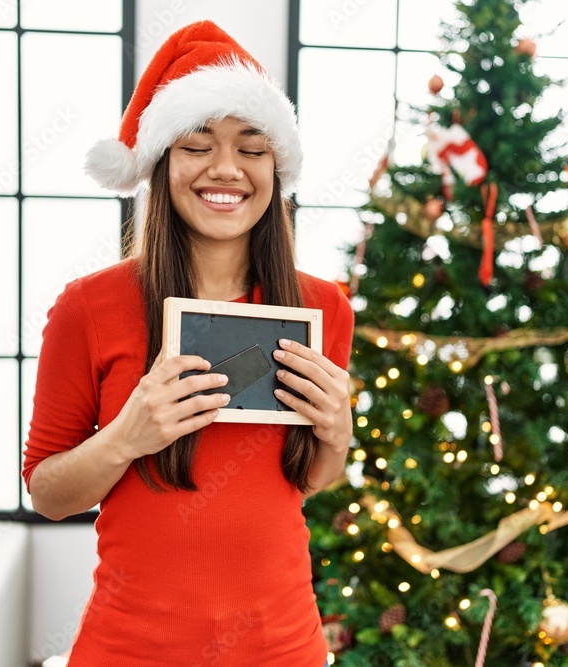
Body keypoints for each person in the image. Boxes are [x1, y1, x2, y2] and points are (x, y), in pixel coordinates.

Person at [21, 20, 354, 667]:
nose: (226, 168)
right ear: (161, 162)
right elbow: (47, 491)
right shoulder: (88, 306)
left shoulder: (323, 307)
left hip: (282, 646)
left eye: (252, 148)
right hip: (131, 648)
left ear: (276, 168)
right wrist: (126, 436)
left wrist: (337, 433)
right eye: (198, 144)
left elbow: (307, 478)